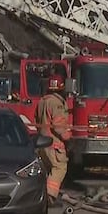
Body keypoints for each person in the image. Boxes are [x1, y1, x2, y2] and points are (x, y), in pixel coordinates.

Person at [35, 74, 71, 206]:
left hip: (42, 143)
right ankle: (50, 196)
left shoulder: (42, 101)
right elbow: (59, 125)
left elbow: (37, 119)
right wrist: (68, 137)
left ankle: (42, 195)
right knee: (59, 168)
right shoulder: (57, 103)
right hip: (54, 144)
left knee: (47, 170)